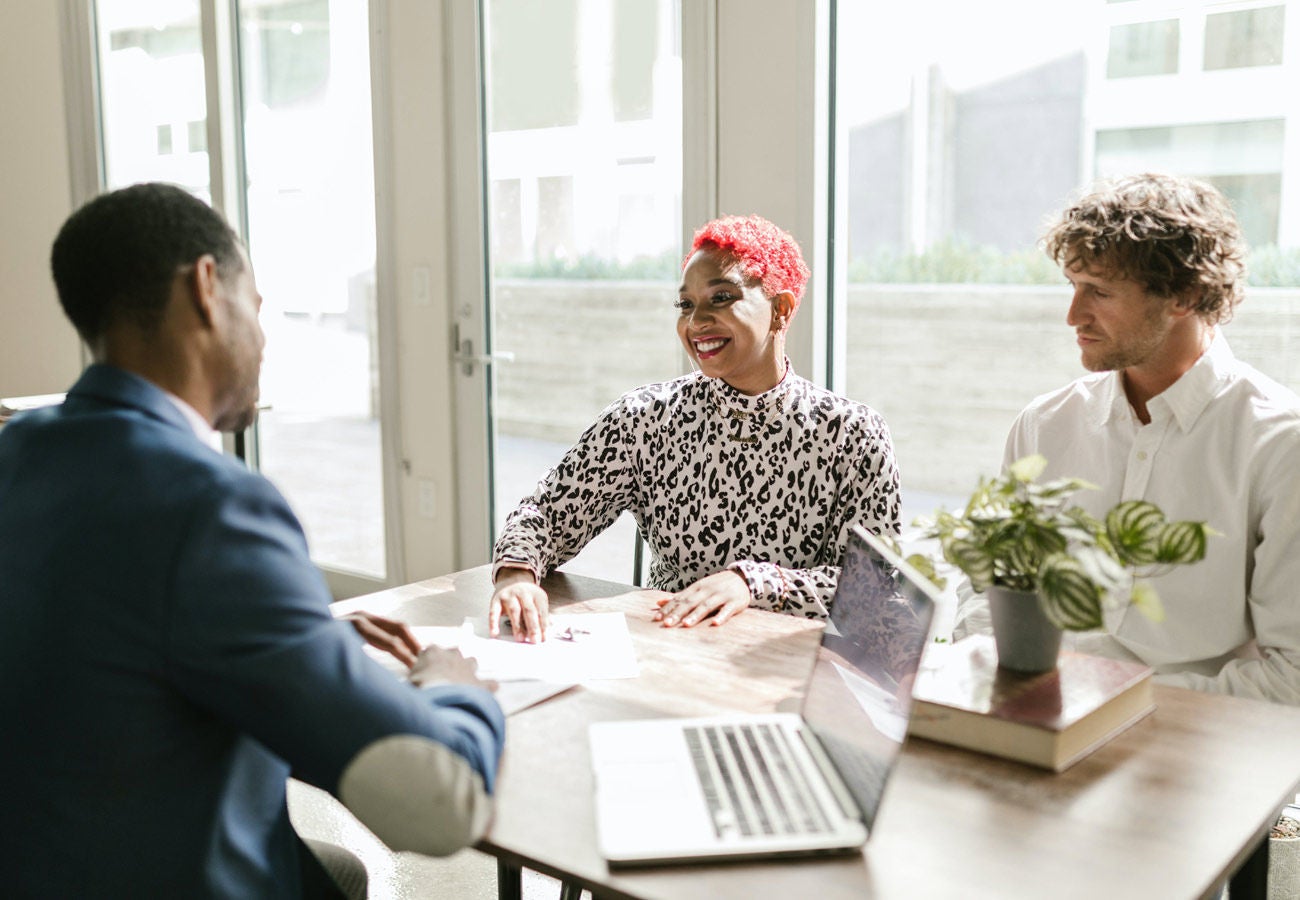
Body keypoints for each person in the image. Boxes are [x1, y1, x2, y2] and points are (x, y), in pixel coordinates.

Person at [0, 183, 505, 898]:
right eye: (259, 307)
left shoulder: (18, 452)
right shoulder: (211, 507)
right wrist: (454, 689)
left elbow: (104, 626)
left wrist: (292, 632)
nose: (264, 340)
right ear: (207, 288)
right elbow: (438, 802)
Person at [953, 172, 1300, 704]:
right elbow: (986, 594)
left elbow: (1291, 678)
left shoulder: (1279, 445)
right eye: (1073, 286)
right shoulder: (1045, 425)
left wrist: (1101, 703)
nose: (1073, 315)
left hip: (1195, 751)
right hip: (1033, 722)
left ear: (1185, 295)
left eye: (1100, 292)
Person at [490, 214, 901, 642]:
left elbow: (873, 595)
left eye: (721, 298)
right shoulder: (643, 419)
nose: (696, 321)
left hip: (783, 674)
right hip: (668, 656)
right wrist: (517, 574)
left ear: (781, 310)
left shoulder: (853, 434)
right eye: (685, 305)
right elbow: (546, 513)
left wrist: (752, 582)